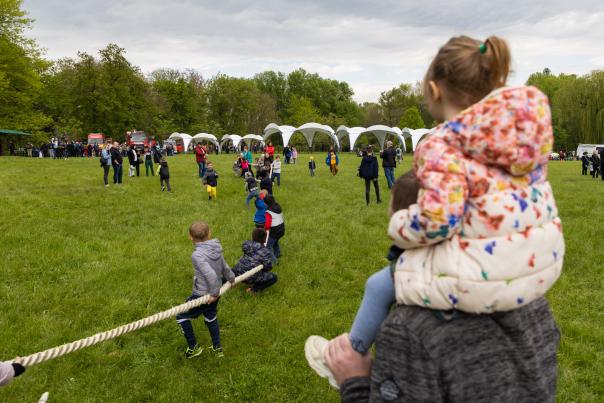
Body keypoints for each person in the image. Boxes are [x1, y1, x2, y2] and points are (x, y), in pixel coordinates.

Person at [307, 35, 564, 390]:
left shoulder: (444, 143)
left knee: (380, 283)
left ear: (434, 89)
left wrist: (400, 224)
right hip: (534, 265)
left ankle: (352, 351)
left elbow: (439, 220)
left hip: (477, 273)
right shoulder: (526, 137)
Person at [175, 221, 235, 358]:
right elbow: (224, 266)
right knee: (210, 316)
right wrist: (231, 278)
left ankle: (193, 348)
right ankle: (217, 348)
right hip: (215, 293)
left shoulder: (197, 255)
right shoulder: (216, 249)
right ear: (209, 233)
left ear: (190, 237)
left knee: (181, 316)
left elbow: (211, 275)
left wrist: (214, 294)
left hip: (203, 295)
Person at [232, 228, 278, 294]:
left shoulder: (246, 244)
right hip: (250, 277)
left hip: (237, 272)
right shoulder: (265, 252)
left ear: (252, 236)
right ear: (265, 239)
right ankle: (254, 289)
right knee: (274, 277)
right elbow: (268, 267)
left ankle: (225, 281)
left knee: (230, 271)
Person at [264, 194, 285, 262]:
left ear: (266, 203)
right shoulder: (278, 206)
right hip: (282, 228)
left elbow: (267, 225)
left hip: (275, 231)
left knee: (267, 247)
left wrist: (264, 230)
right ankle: (278, 254)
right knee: (275, 241)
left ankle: (275, 261)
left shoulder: (268, 212)